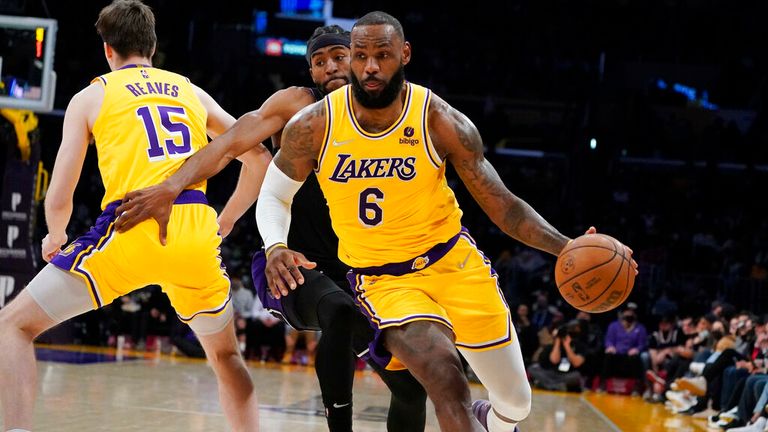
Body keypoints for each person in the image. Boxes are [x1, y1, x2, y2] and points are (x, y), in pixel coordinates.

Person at [254, 11, 637, 432]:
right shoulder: (315, 124)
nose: (370, 67)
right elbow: (274, 193)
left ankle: (495, 421)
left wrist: (564, 246)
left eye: (382, 55)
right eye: (361, 55)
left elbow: (503, 206)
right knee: (443, 375)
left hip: (455, 264)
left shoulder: (439, 120)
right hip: (384, 281)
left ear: (405, 54)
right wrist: (275, 245)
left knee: (516, 402)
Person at [111, 24, 427, 432]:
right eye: (319, 61)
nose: (330, 66)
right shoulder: (296, 104)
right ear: (311, 73)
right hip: (292, 265)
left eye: (338, 56)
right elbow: (230, 144)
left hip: (362, 271)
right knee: (340, 312)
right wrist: (172, 187)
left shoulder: (392, 111)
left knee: (412, 388)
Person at [0, 1, 262, 431]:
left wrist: (55, 234)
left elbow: (61, 190)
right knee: (226, 356)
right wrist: (228, 220)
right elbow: (257, 157)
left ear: (107, 50)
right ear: (153, 46)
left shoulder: (92, 95)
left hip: (131, 226)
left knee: (12, 326)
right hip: (195, 232)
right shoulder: (190, 90)